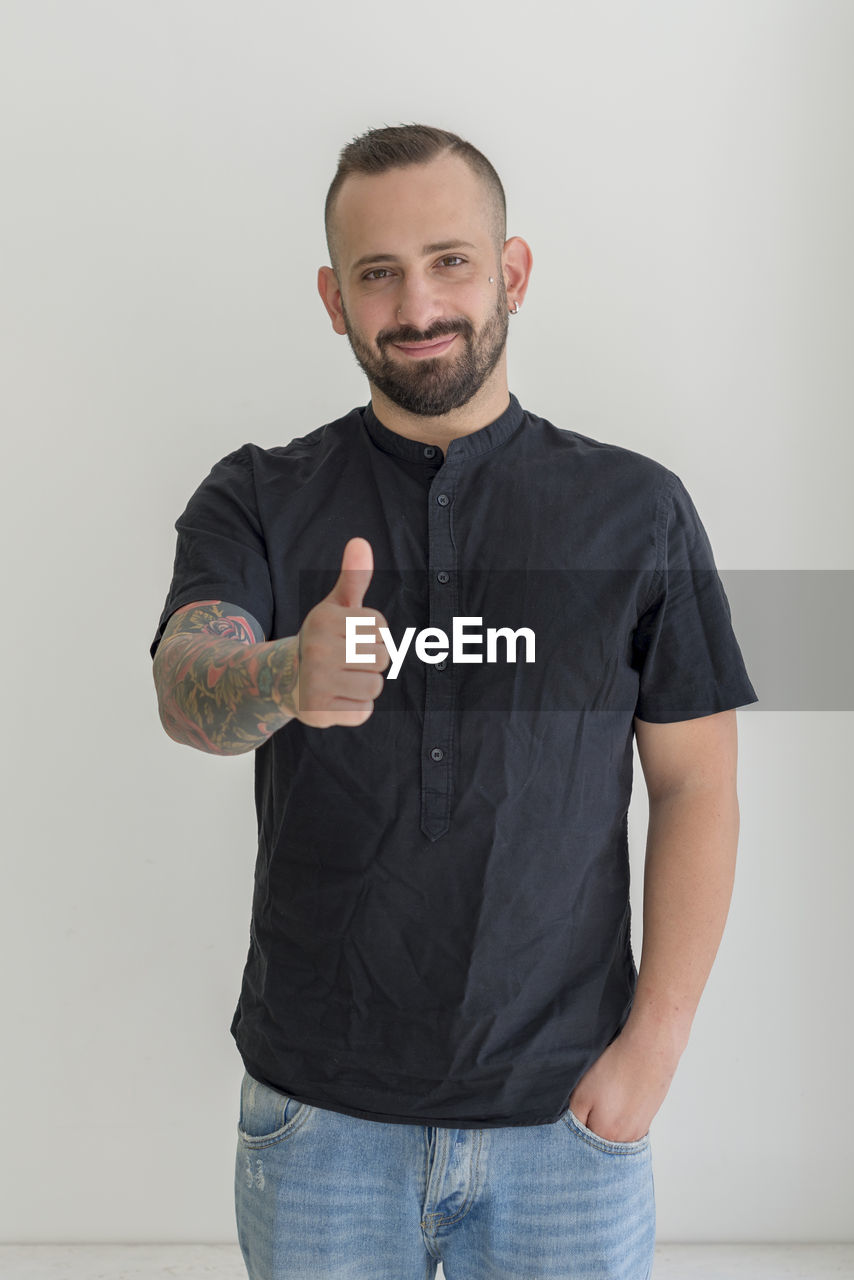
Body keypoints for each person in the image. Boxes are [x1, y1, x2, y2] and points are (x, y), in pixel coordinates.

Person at [150, 123, 758, 1280]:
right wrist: (284, 671)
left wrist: (651, 1053)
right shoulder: (257, 496)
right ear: (333, 299)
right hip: (320, 1123)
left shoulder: (635, 510)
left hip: (566, 1123)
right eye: (376, 273)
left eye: (449, 261)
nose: (416, 302)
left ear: (510, 272)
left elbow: (697, 787)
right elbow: (187, 689)